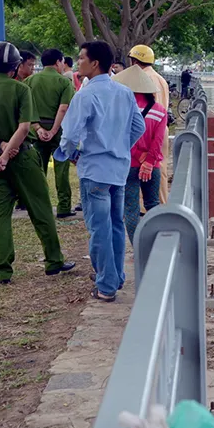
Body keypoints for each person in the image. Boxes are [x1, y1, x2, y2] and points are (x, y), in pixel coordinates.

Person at [0, 41, 75, 284]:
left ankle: (2, 271)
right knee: (40, 207)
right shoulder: (20, 89)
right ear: (14, 66)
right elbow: (24, 128)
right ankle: (53, 261)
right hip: (22, 157)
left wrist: (0, 148)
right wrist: (7, 151)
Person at [58, 41, 145, 302]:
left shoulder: (85, 95)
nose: (78, 61)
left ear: (94, 63)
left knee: (99, 228)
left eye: (82, 58)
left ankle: (106, 285)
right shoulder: (124, 93)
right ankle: (116, 276)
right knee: (115, 224)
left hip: (95, 170)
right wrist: (119, 147)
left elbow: (70, 134)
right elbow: (137, 127)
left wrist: (72, 153)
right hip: (118, 168)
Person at [112, 66, 166, 244]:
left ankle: (138, 248)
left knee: (131, 208)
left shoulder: (122, 111)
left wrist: (139, 157)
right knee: (152, 205)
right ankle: (156, 243)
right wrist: (149, 161)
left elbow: (123, 139)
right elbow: (158, 141)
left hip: (129, 166)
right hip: (152, 167)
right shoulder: (160, 110)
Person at [25, 49, 76, 219]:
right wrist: (53, 130)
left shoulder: (29, 81)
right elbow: (64, 108)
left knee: (38, 171)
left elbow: (25, 109)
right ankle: (63, 207)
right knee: (61, 171)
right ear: (58, 62)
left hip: (35, 130)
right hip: (59, 131)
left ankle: (39, 207)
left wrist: (38, 128)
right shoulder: (64, 82)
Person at [128, 45, 169, 204]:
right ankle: (160, 204)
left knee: (145, 167)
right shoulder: (159, 78)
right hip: (160, 129)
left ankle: (148, 207)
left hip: (146, 130)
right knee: (159, 169)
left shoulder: (144, 79)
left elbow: (149, 111)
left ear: (135, 61)